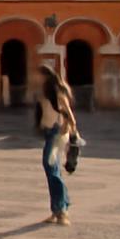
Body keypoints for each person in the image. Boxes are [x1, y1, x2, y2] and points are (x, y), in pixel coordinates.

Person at [37, 64, 78, 225]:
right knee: (51, 171)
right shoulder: (45, 92)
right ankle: (58, 209)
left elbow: (69, 115)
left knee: (51, 169)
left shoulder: (58, 91)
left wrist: (69, 131)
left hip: (56, 132)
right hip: (49, 132)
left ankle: (62, 211)